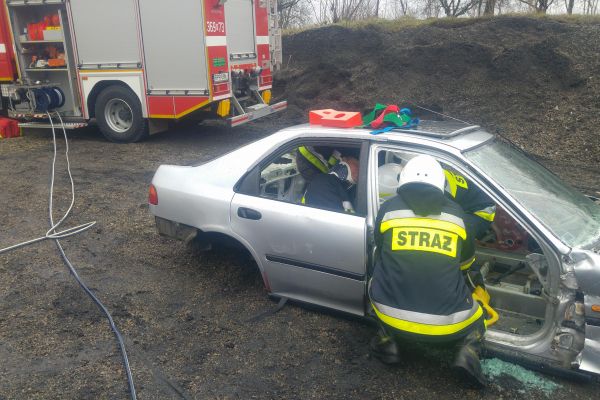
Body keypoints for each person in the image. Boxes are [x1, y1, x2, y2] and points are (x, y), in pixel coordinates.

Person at [369, 155, 487, 386]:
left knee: (378, 271)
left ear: (403, 180)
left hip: (390, 313)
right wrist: (478, 288)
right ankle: (469, 353)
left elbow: (381, 250)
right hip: (446, 325)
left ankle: (386, 342)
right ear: (441, 183)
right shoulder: (457, 216)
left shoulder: (388, 210)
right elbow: (465, 266)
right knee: (478, 315)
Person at [443, 169, 496, 272]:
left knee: (458, 231)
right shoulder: (431, 175)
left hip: (482, 212)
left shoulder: (442, 184)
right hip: (466, 206)